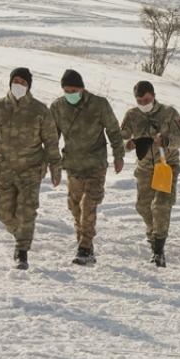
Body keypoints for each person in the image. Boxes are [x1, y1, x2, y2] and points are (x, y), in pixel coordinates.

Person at [0, 67, 62, 269]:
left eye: (23, 82)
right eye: (16, 81)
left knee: (27, 211)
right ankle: (20, 232)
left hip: (31, 170)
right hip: (5, 170)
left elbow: (51, 143)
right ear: (10, 82)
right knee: (3, 212)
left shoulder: (40, 111)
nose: (19, 85)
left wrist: (55, 169)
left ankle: (22, 250)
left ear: (29, 86)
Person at [50, 69, 123, 267]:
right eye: (67, 91)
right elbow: (51, 138)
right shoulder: (57, 107)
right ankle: (84, 245)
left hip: (95, 165)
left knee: (88, 204)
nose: (71, 94)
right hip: (73, 165)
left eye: (74, 90)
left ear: (82, 88)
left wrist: (118, 156)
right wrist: (53, 165)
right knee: (75, 207)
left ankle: (84, 247)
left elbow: (114, 131)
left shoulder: (99, 104)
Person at [121, 80, 180, 268]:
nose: (143, 104)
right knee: (143, 207)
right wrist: (128, 145)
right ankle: (154, 235)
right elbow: (120, 138)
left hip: (166, 166)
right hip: (144, 168)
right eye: (139, 101)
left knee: (161, 205)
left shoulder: (169, 113)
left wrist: (167, 141)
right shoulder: (132, 115)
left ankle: (158, 250)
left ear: (153, 96)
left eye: (146, 100)